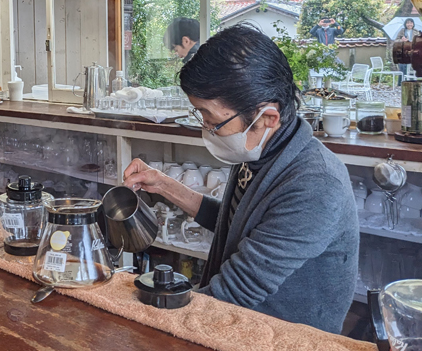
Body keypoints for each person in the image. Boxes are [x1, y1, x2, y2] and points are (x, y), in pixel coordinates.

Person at [124, 24, 358, 334]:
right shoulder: (262, 150)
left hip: (280, 337)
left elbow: (233, 294)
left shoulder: (315, 185)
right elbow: (236, 223)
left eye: (213, 120)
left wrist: (142, 321)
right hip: (244, 323)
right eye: (201, 117)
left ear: (267, 118)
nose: (207, 129)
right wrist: (165, 185)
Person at [395, 18, 418, 83]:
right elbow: (396, 40)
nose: (409, 24)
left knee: (412, 67)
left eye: (411, 23)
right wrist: (401, 40)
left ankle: (411, 82)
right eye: (407, 23)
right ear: (405, 24)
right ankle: (401, 83)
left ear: (413, 24)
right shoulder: (402, 31)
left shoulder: (416, 32)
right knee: (402, 67)